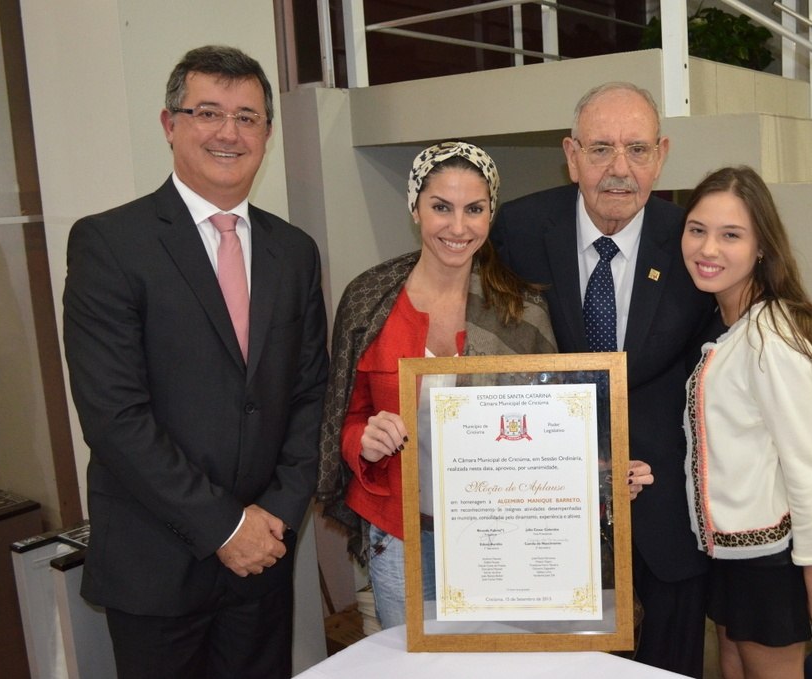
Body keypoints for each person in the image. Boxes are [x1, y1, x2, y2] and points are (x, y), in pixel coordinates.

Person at [62, 46, 329, 679]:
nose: (229, 133)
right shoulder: (110, 244)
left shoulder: (292, 251)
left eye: (248, 116)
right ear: (170, 124)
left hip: (264, 559)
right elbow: (114, 416)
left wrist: (277, 519)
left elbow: (310, 394)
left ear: (266, 132)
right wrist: (222, 525)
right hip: (158, 563)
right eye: (208, 112)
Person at [490, 82, 717, 676]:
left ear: (662, 154)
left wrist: (799, 387)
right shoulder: (517, 228)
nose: (620, 169)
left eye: (638, 149)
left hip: (666, 514)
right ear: (570, 155)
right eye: (601, 150)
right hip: (553, 513)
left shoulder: (694, 238)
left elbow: (744, 325)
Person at [316, 141, 567, 629]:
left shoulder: (521, 311)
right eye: (440, 208)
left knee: (492, 663)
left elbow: (553, 430)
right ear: (415, 209)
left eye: (474, 209)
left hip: (498, 536)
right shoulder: (370, 301)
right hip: (398, 531)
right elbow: (346, 415)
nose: (457, 227)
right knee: (414, 665)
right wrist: (362, 441)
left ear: (490, 214)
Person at [680, 166, 812, 679]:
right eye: (697, 230)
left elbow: (807, 472)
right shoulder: (732, 325)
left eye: (730, 235)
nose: (708, 249)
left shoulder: (770, 336)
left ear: (762, 247)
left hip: (769, 562)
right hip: (732, 552)